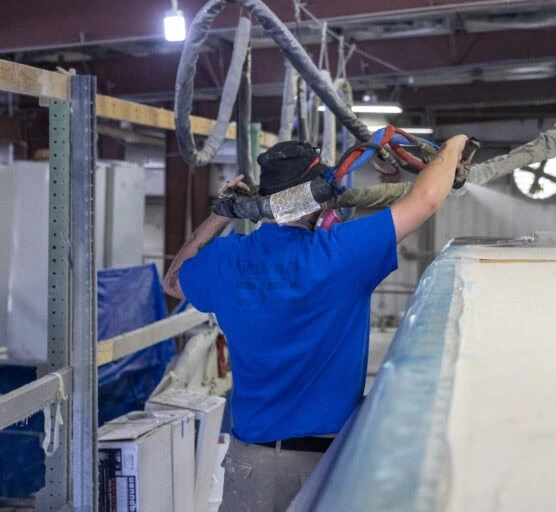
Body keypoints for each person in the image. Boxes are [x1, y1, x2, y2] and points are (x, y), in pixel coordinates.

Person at [162, 134, 469, 511]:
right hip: (323, 466)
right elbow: (426, 198)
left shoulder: (226, 259)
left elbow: (172, 281)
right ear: (315, 196)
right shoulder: (340, 254)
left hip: (251, 462)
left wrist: (222, 213)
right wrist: (453, 147)